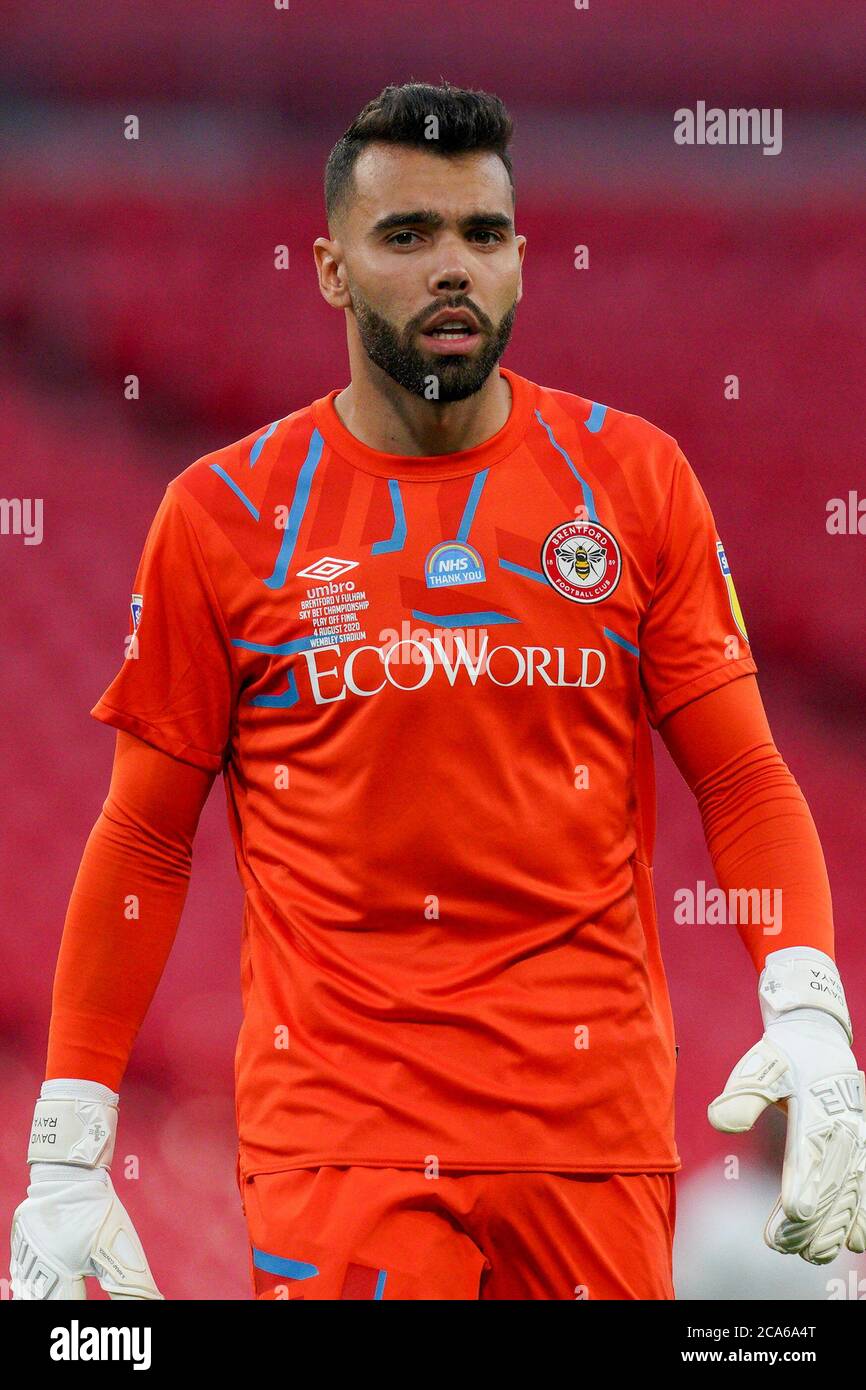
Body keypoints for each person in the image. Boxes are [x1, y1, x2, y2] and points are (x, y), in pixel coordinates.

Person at [10, 81, 865, 1301]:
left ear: (519, 258)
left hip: (590, 1139)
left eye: (481, 233)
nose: (449, 266)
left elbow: (739, 774)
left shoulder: (632, 480)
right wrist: (70, 1141)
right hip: (341, 1137)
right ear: (330, 268)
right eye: (405, 236)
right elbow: (144, 837)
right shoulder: (224, 515)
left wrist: (809, 1008)